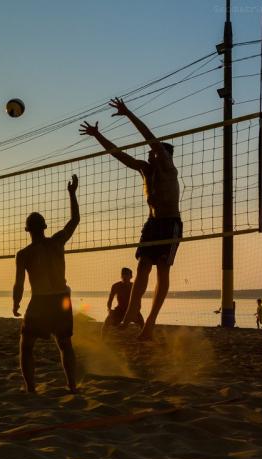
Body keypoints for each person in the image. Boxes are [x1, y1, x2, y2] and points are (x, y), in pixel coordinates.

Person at [80, 97, 181, 341]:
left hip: (169, 223)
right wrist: (97, 136)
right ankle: (129, 315)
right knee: (143, 268)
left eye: (153, 153)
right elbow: (119, 155)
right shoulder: (145, 170)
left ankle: (150, 324)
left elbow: (150, 138)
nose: (149, 156)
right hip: (152, 224)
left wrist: (127, 113)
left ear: (163, 155)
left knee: (162, 273)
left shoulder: (167, 168)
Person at [13, 174, 80, 394]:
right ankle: (72, 387)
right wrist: (72, 194)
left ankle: (31, 388)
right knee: (64, 344)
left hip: (41, 301)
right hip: (62, 298)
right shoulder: (57, 242)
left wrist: (15, 303)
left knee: (26, 345)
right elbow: (75, 220)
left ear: (28, 230)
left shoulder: (24, 254)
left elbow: (19, 284)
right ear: (44, 226)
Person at [102, 267, 145, 335]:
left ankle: (145, 338)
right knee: (106, 324)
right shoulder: (116, 286)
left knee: (142, 324)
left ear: (131, 276)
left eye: (127, 274)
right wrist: (109, 310)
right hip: (120, 310)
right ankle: (103, 339)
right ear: (121, 276)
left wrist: (136, 311)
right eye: (123, 274)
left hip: (131, 310)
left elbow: (138, 302)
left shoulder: (134, 286)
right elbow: (110, 300)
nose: (124, 276)